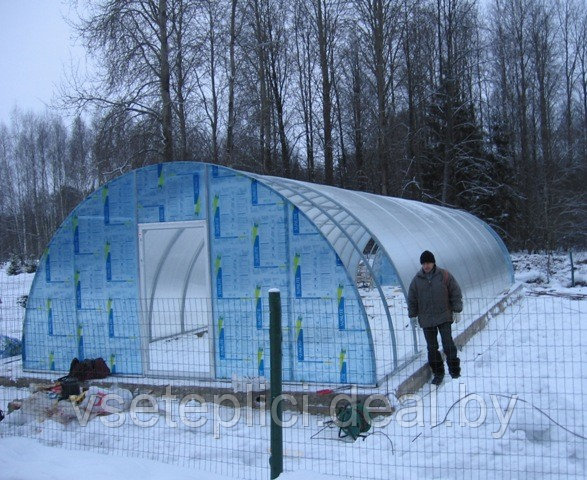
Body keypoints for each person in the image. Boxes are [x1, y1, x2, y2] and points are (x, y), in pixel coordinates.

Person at [408, 250, 463, 385]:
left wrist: (457, 310)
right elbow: (412, 299)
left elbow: (455, 292)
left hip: (444, 316)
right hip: (426, 320)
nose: (426, 266)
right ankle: (438, 373)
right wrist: (413, 315)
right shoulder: (416, 280)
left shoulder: (444, 275)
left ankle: (455, 371)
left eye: (428, 263)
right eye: (424, 263)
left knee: (448, 343)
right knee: (432, 348)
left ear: (433, 263)